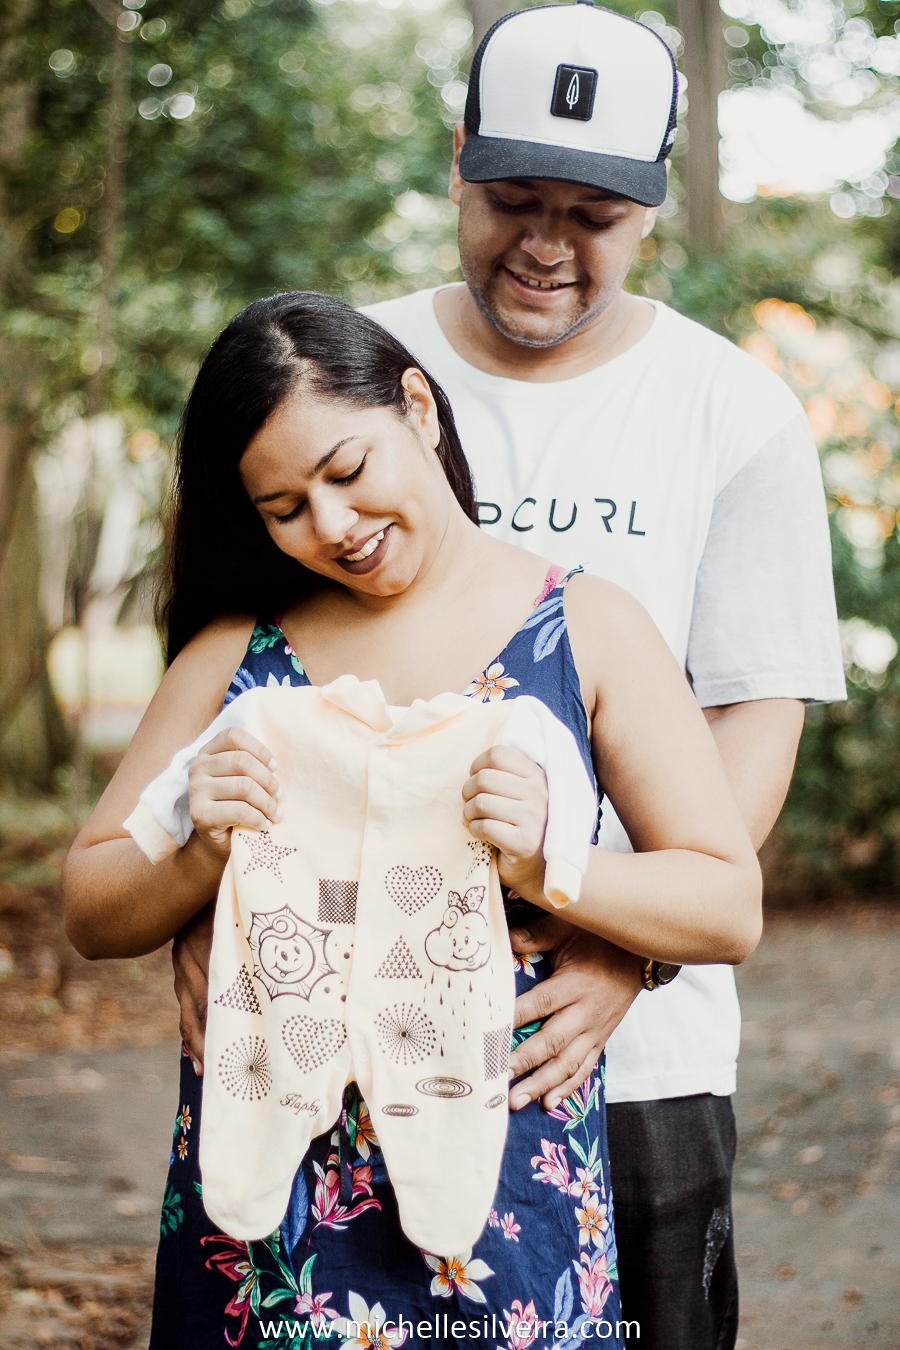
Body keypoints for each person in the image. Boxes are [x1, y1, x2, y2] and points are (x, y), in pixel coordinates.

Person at [170, 5, 846, 1347]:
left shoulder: (733, 410)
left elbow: (750, 726)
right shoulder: (343, 372)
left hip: (610, 1054)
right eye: (515, 200)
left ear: (653, 201)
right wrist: (208, 896)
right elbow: (234, 677)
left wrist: (626, 951)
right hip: (335, 1056)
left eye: (594, 214)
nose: (546, 245)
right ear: (460, 159)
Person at [63, 291, 762, 1348]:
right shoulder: (238, 653)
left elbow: (728, 904)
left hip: (504, 1203)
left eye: (347, 470)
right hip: (265, 1219)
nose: (334, 526)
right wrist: (197, 857)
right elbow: (90, 907)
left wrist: (552, 866)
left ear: (419, 409)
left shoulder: (585, 627)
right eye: (284, 508)